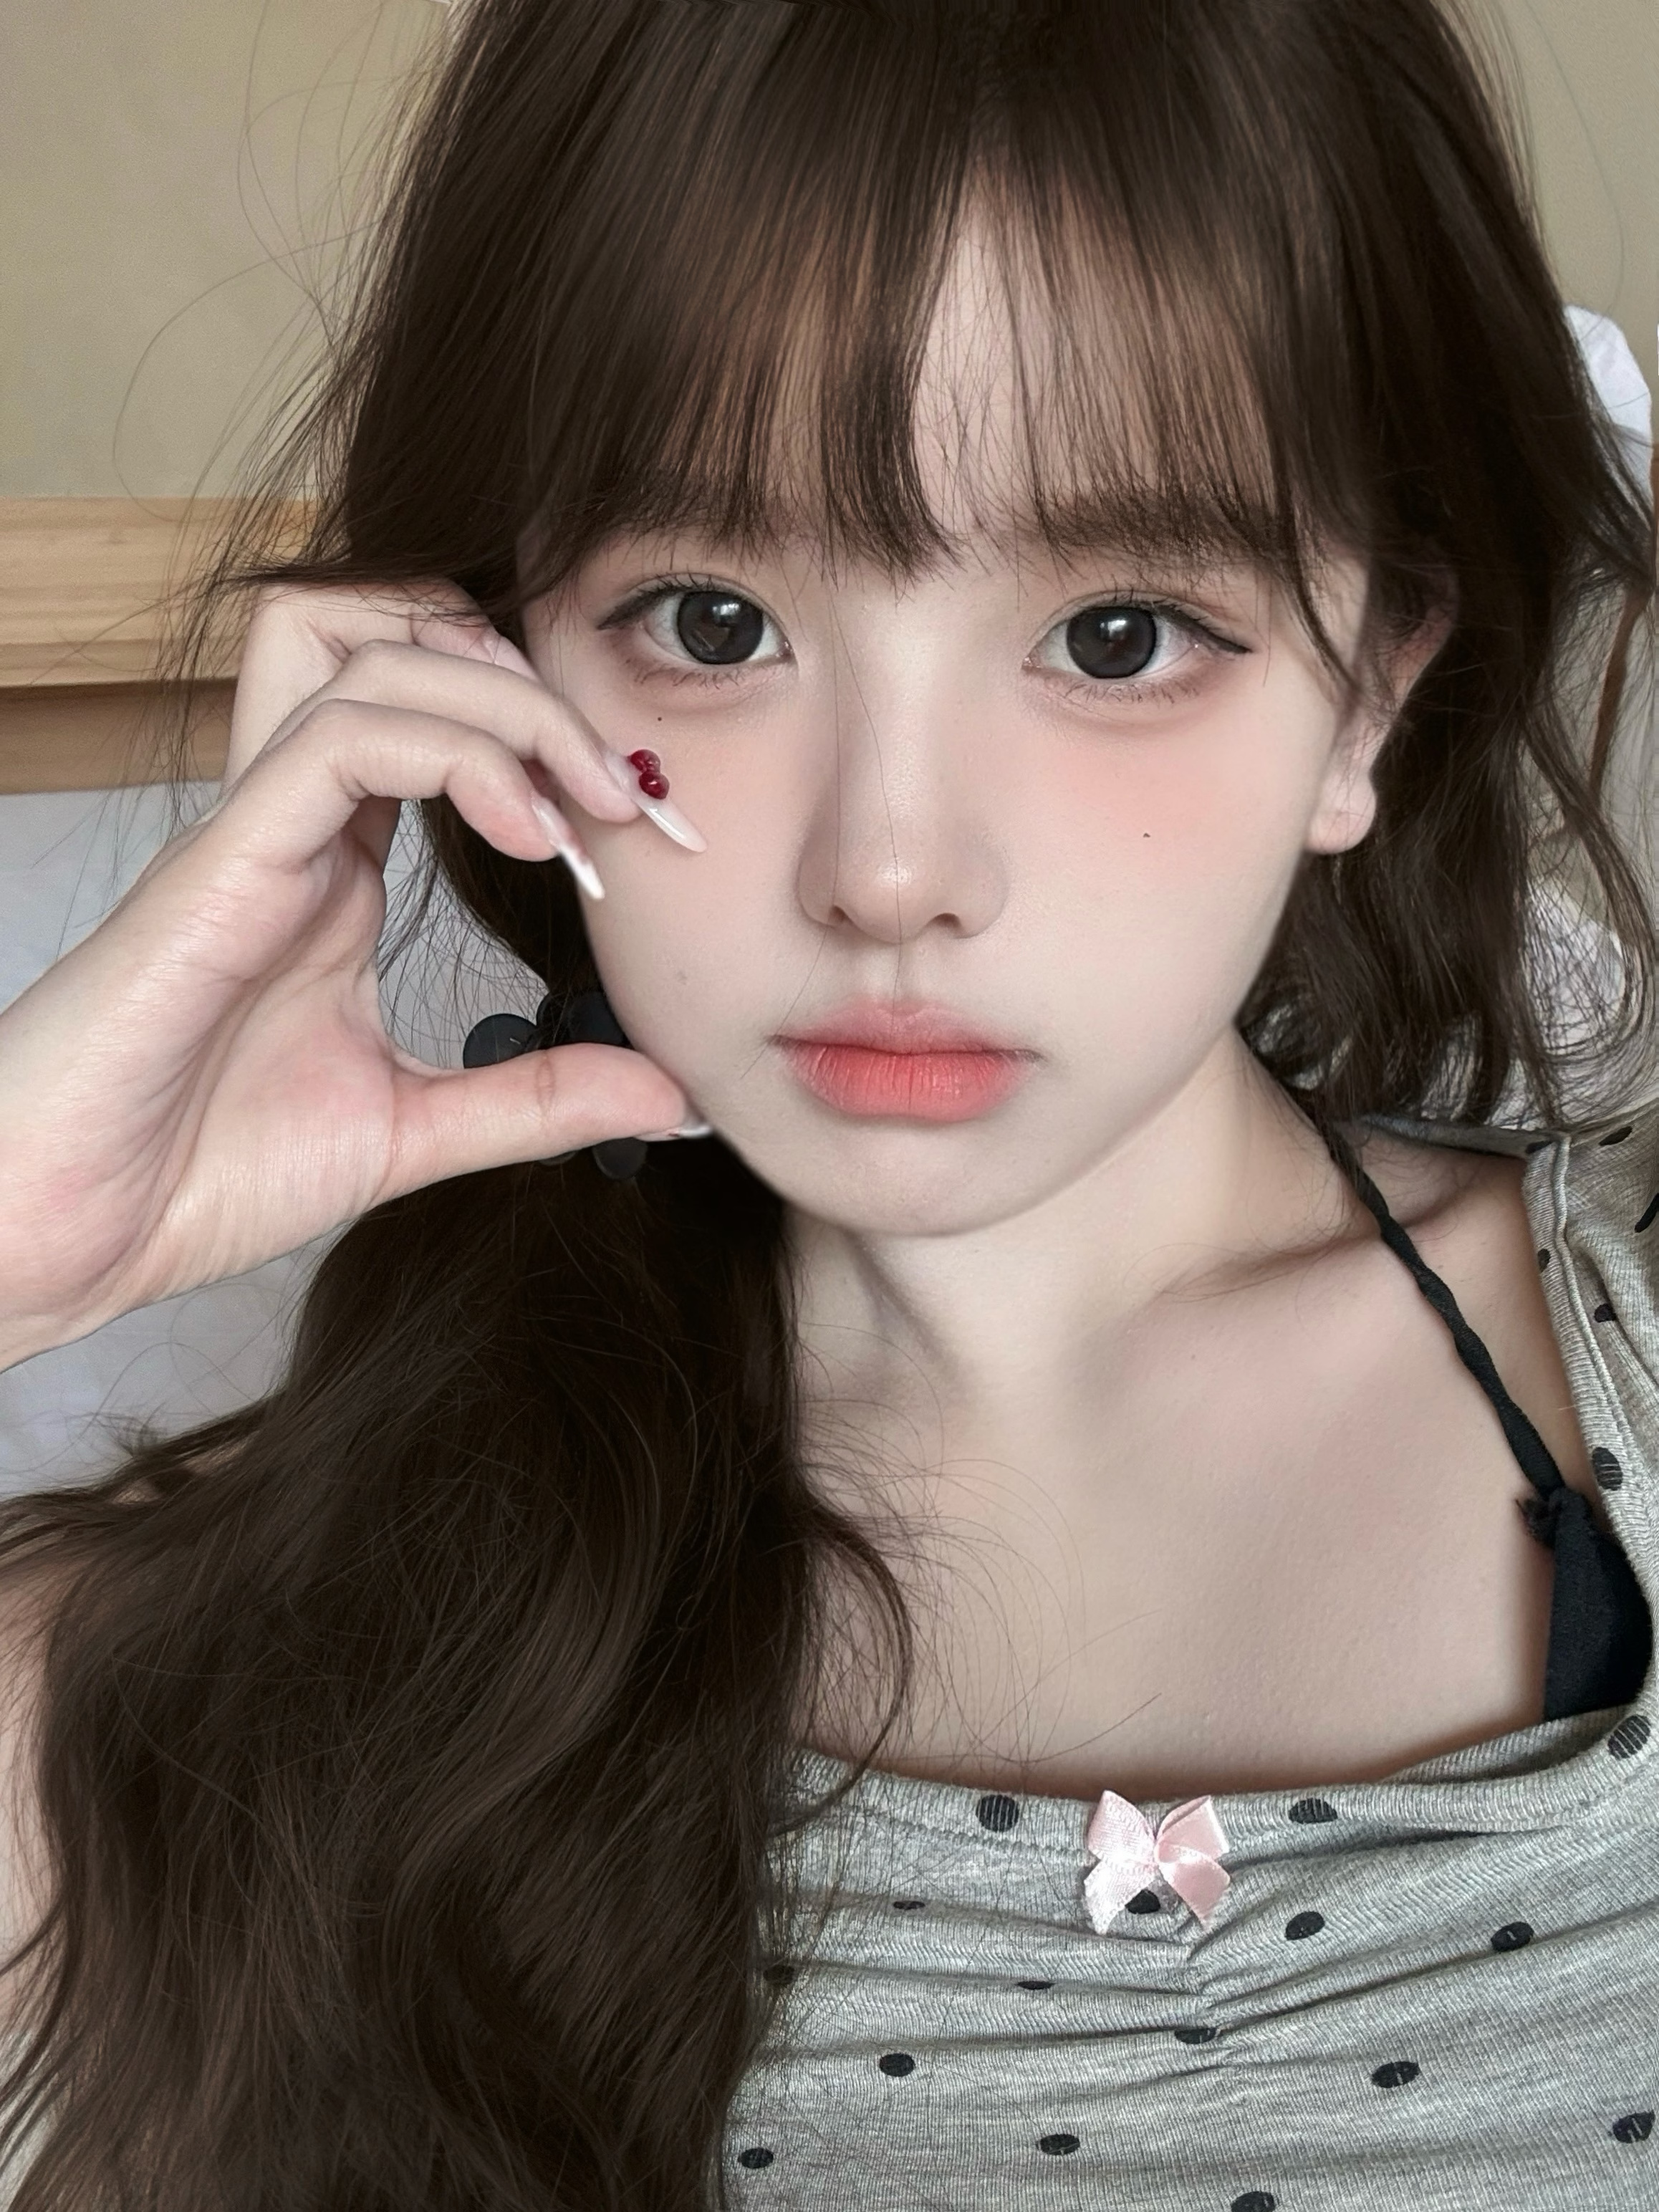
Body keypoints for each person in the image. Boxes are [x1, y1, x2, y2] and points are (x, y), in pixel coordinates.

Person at [0, 0, 1653, 2204]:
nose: (887, 868)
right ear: (487, 659)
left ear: (1365, 694)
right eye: (710, 619)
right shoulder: (217, 1672)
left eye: (1118, 635)